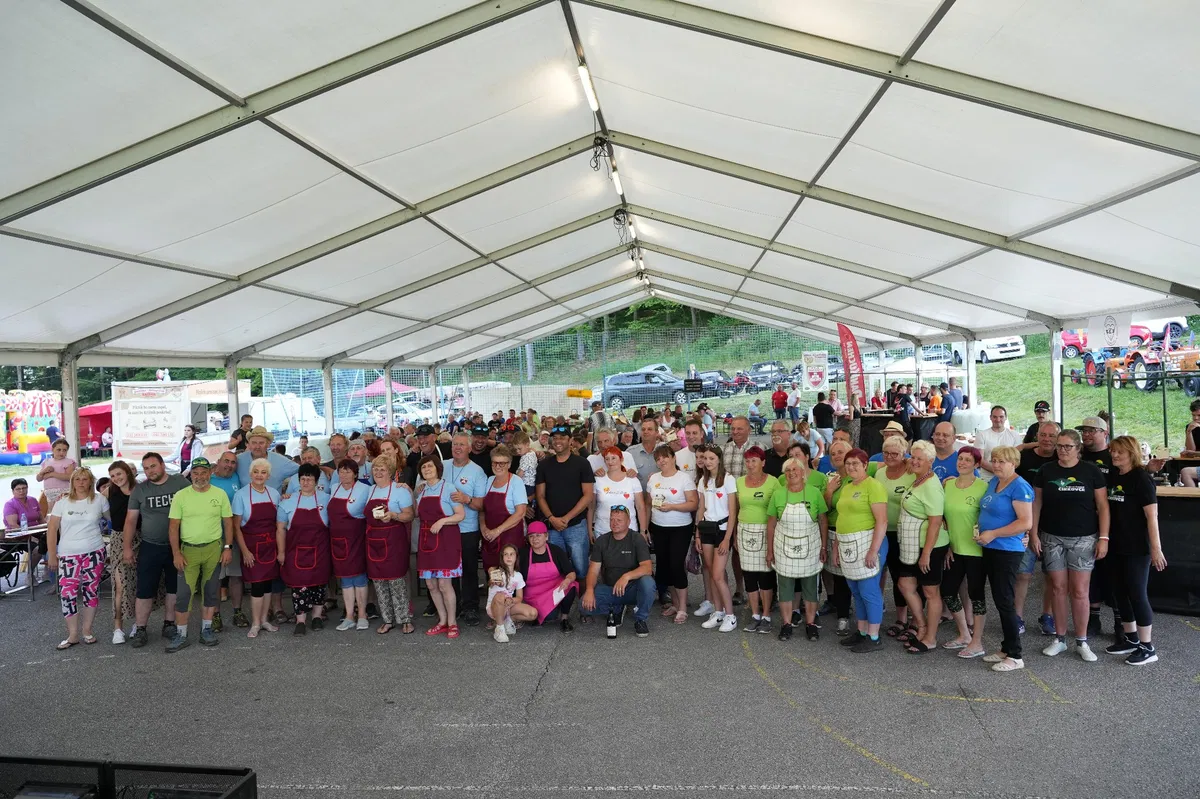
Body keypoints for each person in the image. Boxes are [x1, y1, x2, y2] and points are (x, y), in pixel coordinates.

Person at [1031, 429, 1109, 662]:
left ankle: (1082, 640)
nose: (1062, 450)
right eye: (1059, 446)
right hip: (1051, 537)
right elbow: (1037, 504)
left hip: (1084, 538)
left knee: (1080, 590)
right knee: (1057, 588)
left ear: (1078, 448)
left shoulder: (1091, 471)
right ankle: (1060, 638)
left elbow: (1103, 506)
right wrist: (1033, 534)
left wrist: (1103, 538)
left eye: (1068, 446)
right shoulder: (1046, 471)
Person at [1104, 436, 1165, 665]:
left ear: (1132, 453)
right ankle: (1130, 639)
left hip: (1137, 547)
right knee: (1120, 593)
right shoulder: (1113, 475)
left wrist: (1156, 549)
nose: (1115, 455)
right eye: (1113, 451)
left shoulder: (1141, 478)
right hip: (1116, 545)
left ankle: (1147, 647)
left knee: (1137, 594)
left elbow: (1152, 516)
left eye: (1120, 452)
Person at [976, 446, 1035, 672]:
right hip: (991, 547)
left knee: (1005, 601)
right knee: (1000, 599)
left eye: (1002, 461)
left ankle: (1016, 655)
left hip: (1006, 550)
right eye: (994, 460)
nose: (996, 464)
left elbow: (1025, 522)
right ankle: (1006, 648)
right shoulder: (995, 482)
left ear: (1014, 463)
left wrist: (993, 533)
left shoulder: (1019, 486)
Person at [166, 457, 234, 652]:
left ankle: (207, 630)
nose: (200, 476)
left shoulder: (219, 494)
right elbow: (173, 526)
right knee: (184, 594)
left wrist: (228, 547)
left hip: (213, 548)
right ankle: (181, 634)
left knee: (211, 590)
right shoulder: (181, 495)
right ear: (191, 474)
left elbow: (228, 522)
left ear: (210, 473)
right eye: (195, 472)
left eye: (204, 472)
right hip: (188, 551)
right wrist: (176, 553)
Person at [826, 448, 889, 653]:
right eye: (848, 463)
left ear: (865, 465)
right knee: (855, 590)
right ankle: (861, 632)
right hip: (847, 544)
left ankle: (873, 636)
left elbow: (882, 520)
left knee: (869, 590)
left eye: (856, 463)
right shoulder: (846, 487)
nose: (851, 467)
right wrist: (836, 547)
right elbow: (841, 518)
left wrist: (874, 550)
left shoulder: (874, 486)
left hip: (868, 542)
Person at [124, 453, 190, 648]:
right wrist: (127, 548)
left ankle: (169, 624)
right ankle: (141, 628)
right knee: (144, 589)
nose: (150, 471)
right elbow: (130, 520)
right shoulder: (140, 490)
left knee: (174, 587)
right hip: (150, 545)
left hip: (177, 546)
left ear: (162, 465)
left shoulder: (180, 483)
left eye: (153, 466)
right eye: (146, 468)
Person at [46, 468, 110, 650]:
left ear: (90, 482)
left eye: (85, 479)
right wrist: (52, 554)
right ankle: (73, 634)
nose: (81, 482)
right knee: (67, 594)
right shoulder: (63, 502)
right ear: (72, 482)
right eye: (77, 479)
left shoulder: (100, 500)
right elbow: (52, 529)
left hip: (94, 552)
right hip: (68, 554)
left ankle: (87, 631)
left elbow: (113, 519)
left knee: (91, 591)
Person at [766, 456, 828, 641]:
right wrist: (769, 550)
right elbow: (771, 524)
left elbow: (823, 520)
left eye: (795, 470)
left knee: (810, 586)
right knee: (785, 587)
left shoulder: (814, 493)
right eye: (788, 470)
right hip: (783, 546)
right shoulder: (778, 494)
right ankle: (786, 624)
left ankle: (810, 624)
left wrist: (824, 546)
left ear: (802, 472)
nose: (792, 473)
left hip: (810, 546)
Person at [896, 440, 947, 654]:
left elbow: (936, 522)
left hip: (930, 547)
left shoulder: (931, 485)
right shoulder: (917, 479)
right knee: (905, 584)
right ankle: (921, 624)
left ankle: (931, 638)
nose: (915, 461)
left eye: (920, 459)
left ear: (931, 462)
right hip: (911, 544)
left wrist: (926, 553)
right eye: (913, 457)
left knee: (930, 591)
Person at [535, 424, 595, 603]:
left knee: (580, 567)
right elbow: (540, 495)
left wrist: (567, 518)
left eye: (562, 438)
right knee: (557, 568)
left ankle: (584, 603)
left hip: (576, 525)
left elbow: (588, 495)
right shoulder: (544, 465)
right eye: (555, 438)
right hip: (552, 527)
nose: (558, 441)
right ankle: (562, 604)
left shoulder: (582, 464)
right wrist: (552, 519)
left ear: (570, 441)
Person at [940, 446, 989, 656]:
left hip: (976, 551)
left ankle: (977, 642)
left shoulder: (984, 487)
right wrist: (947, 543)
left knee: (976, 595)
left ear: (977, 464)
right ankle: (964, 635)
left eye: (968, 460)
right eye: (960, 459)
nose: (962, 463)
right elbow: (942, 516)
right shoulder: (948, 484)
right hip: (954, 549)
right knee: (948, 591)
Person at [275, 463, 333, 636]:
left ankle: (316, 617)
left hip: (320, 550)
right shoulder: (288, 501)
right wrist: (281, 552)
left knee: (319, 585)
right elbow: (280, 529)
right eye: (303, 479)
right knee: (299, 587)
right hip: (295, 551)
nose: (306, 482)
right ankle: (300, 620)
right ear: (298, 480)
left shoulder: (326, 499)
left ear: (316, 481)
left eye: (310, 479)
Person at [581, 506, 655, 637]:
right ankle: (617, 608)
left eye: (619, 520)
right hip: (611, 588)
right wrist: (589, 590)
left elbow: (647, 568)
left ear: (628, 522)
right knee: (583, 606)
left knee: (648, 583)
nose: (614, 523)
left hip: (633, 588)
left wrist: (627, 576)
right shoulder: (602, 541)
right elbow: (593, 570)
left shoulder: (637, 538)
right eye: (612, 519)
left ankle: (640, 619)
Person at [414, 455, 465, 638]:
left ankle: (452, 623)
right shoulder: (422, 491)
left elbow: (460, 515)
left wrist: (443, 520)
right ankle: (442, 620)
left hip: (446, 539)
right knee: (431, 584)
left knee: (444, 584)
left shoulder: (448, 488)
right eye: (424, 467)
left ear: (437, 468)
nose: (427, 470)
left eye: (430, 466)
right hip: (427, 539)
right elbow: (417, 514)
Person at [1017, 421, 1060, 635]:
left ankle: (1048, 616)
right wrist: (1027, 445)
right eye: (1043, 435)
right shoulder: (1025, 456)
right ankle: (1017, 617)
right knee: (1023, 573)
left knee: (1051, 575)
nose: (1047, 439)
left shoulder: (1061, 457)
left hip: (1052, 523)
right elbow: (1009, 455)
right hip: (1023, 522)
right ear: (1036, 436)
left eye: (1052, 436)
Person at [647, 445, 698, 623]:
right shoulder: (653, 478)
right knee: (665, 566)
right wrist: (645, 528)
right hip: (658, 526)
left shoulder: (684, 479)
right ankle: (675, 604)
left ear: (673, 458)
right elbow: (648, 504)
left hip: (680, 528)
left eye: (664, 457)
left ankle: (683, 607)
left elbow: (693, 504)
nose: (661, 461)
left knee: (677, 565)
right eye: (658, 459)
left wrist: (672, 507)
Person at [364, 456, 414, 635]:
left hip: (394, 540)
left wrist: (394, 515)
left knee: (396, 581)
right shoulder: (370, 490)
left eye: (382, 469)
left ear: (390, 472)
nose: (378, 472)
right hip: (374, 541)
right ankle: (388, 619)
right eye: (376, 469)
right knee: (378, 581)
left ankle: (405, 619)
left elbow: (409, 515)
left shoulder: (399, 491)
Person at [232, 458, 282, 638]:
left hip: (270, 546)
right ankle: (255, 623)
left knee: (268, 584)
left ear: (268, 475)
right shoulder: (242, 495)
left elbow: (279, 523)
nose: (259, 475)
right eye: (256, 472)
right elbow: (236, 526)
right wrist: (245, 551)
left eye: (263, 472)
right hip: (252, 547)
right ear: (250, 474)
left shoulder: (274, 494)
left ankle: (265, 620)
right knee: (257, 586)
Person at [693, 444, 738, 633]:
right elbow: (701, 509)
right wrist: (697, 534)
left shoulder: (728, 479)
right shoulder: (703, 481)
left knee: (719, 574)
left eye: (712, 458)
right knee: (712, 572)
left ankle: (730, 615)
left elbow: (733, 512)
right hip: (706, 529)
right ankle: (718, 612)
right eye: (705, 458)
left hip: (722, 530)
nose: (708, 462)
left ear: (719, 459)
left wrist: (728, 538)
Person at [875, 435, 915, 637]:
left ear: (904, 454)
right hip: (882, 532)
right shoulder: (879, 473)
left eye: (895, 453)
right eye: (886, 453)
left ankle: (903, 618)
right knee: (880, 573)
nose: (890, 457)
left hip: (904, 533)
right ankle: (877, 613)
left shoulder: (911, 472)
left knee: (901, 577)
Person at [736, 446, 778, 633]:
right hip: (744, 530)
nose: (750, 464)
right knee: (749, 575)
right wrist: (735, 535)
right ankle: (754, 614)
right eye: (747, 461)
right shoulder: (739, 482)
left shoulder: (773, 482)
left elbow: (777, 511)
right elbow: (735, 509)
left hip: (765, 530)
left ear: (763, 462)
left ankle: (767, 614)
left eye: (754, 460)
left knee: (766, 574)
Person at [326, 459, 371, 632]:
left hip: (356, 540)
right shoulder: (334, 488)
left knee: (359, 578)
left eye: (347, 471)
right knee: (345, 579)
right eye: (341, 471)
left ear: (355, 473)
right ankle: (349, 616)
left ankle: (362, 615)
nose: (344, 474)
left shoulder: (365, 489)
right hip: (337, 541)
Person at [515, 521, 578, 632]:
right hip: (532, 596)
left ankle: (564, 618)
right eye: (531, 536)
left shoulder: (556, 551)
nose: (535, 539)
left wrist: (567, 580)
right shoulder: (523, 554)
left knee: (571, 586)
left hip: (554, 591)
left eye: (538, 535)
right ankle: (546, 612)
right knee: (550, 617)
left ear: (546, 536)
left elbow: (571, 573)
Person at [102, 461, 138, 644]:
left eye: (119, 474)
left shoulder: (140, 489)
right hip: (118, 540)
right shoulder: (108, 492)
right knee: (120, 585)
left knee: (139, 584)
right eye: (113, 475)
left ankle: (139, 624)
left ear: (128, 472)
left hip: (141, 539)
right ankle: (118, 627)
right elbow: (88, 501)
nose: (117, 478)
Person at [209, 451, 245, 630]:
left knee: (236, 576)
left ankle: (237, 611)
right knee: (216, 578)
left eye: (233, 462)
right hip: (214, 536)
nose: (229, 465)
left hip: (235, 534)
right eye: (226, 461)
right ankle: (216, 615)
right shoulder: (209, 479)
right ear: (218, 462)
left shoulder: (237, 478)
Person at [480, 444, 527, 572]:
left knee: (510, 577)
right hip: (490, 538)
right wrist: (483, 527)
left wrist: (497, 531)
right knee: (492, 575)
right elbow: (482, 510)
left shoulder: (516, 482)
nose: (498, 466)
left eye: (502, 463)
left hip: (510, 539)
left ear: (509, 464)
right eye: (495, 463)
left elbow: (520, 513)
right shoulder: (489, 481)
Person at [592, 446, 647, 539]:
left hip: (629, 531)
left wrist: (643, 530)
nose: (610, 462)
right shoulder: (598, 480)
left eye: (613, 458)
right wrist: (590, 529)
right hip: (603, 530)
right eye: (607, 459)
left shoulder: (633, 480)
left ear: (621, 459)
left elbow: (640, 507)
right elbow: (591, 507)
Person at [485, 544, 531, 642]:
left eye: (511, 554)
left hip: (507, 605)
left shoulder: (518, 575)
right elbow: (492, 578)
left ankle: (507, 620)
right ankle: (499, 629)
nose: (509, 557)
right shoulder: (497, 571)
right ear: (502, 557)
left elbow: (519, 597)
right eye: (505, 554)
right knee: (500, 596)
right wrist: (494, 579)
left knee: (532, 613)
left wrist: (511, 599)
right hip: (494, 607)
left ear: (516, 557)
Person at [5, 477, 45, 585]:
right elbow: (13, 525)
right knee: (38, 548)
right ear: (13, 491)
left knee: (52, 542)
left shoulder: (33, 500)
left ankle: (49, 571)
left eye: (24, 488)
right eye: (18, 489)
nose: (22, 491)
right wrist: (30, 537)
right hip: (19, 535)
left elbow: (41, 518)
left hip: (36, 530)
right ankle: (30, 574)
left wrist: (47, 530)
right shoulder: (10, 504)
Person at [237, 426, 298, 492]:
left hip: (273, 501)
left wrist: (291, 492)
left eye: (261, 443)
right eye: (254, 443)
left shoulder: (280, 460)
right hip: (245, 501)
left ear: (268, 444)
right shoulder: (238, 460)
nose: (257, 446)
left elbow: (302, 471)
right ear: (249, 444)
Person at [976, 406, 1022, 474]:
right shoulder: (982, 434)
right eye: (995, 417)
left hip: (1008, 477)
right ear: (990, 417)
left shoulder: (1015, 435)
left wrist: (1003, 473)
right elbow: (979, 459)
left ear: (1006, 417)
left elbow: (1016, 460)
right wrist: (998, 471)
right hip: (987, 478)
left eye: (1001, 417)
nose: (998, 420)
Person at [37, 438, 77, 508]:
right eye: (59, 450)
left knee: (63, 511)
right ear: (52, 449)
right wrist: (43, 472)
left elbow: (70, 477)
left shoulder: (68, 462)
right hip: (49, 492)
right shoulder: (46, 461)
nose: (61, 452)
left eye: (64, 450)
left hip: (63, 491)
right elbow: (38, 479)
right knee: (52, 512)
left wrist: (52, 474)